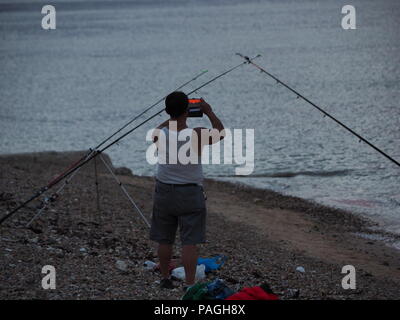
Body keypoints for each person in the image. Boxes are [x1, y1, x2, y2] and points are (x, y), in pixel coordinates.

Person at [150, 91, 224, 289]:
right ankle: (190, 284)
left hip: (164, 191)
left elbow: (157, 131)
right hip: (190, 193)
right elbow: (220, 131)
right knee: (189, 241)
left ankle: (165, 278)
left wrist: (171, 118)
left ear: (167, 111)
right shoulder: (196, 134)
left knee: (164, 239)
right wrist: (208, 111)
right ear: (188, 111)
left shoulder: (160, 134)